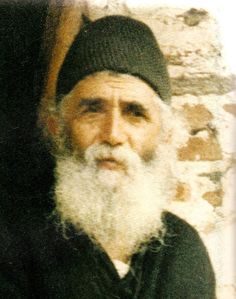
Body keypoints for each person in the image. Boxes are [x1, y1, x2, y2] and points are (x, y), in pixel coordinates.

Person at [0, 14, 216, 298]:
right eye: (92, 109)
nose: (113, 134)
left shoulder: (184, 251)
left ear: (164, 134)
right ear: (57, 127)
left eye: (135, 113)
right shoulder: (12, 242)